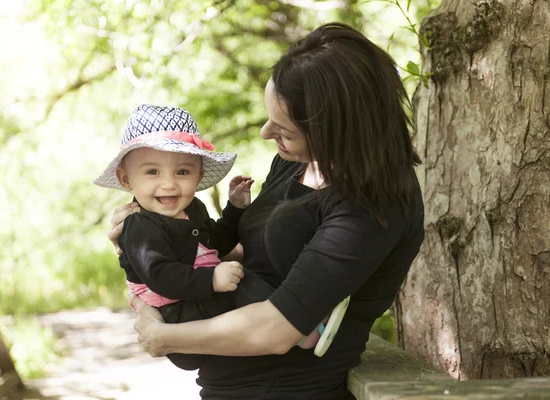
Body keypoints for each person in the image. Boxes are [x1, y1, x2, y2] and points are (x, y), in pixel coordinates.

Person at [109, 22, 425, 399]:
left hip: (285, 390)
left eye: (285, 130)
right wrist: (148, 240)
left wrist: (164, 336)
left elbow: (277, 329)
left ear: (337, 129)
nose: (264, 133)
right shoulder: (294, 163)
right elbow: (239, 254)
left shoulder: (373, 205)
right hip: (224, 385)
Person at [94, 105, 323, 371]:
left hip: (197, 300)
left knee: (242, 278)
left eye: (182, 172)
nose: (168, 184)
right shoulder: (139, 226)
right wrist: (211, 279)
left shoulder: (192, 210)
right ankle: (303, 330)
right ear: (126, 179)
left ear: (199, 176)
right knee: (243, 282)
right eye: (152, 172)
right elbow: (162, 276)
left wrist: (235, 209)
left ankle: (291, 318)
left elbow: (216, 243)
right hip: (177, 312)